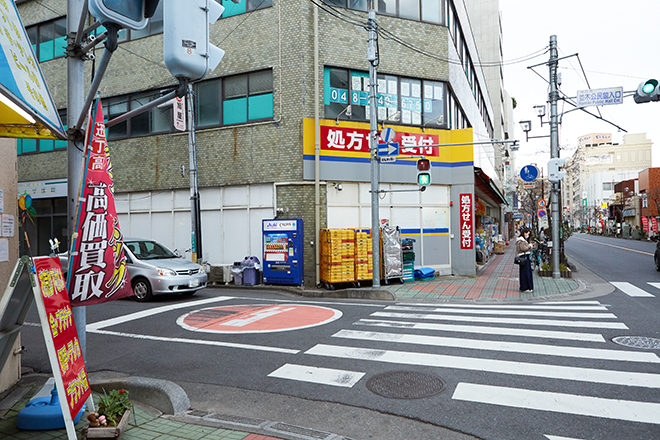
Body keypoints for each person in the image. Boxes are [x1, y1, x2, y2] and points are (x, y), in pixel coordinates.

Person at [516, 227, 534, 293]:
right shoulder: (520, 240)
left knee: (525, 272)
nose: (528, 235)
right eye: (527, 234)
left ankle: (525, 286)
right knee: (526, 272)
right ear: (524, 233)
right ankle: (525, 287)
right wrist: (530, 246)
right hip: (524, 256)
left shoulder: (522, 240)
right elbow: (523, 248)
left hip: (524, 256)